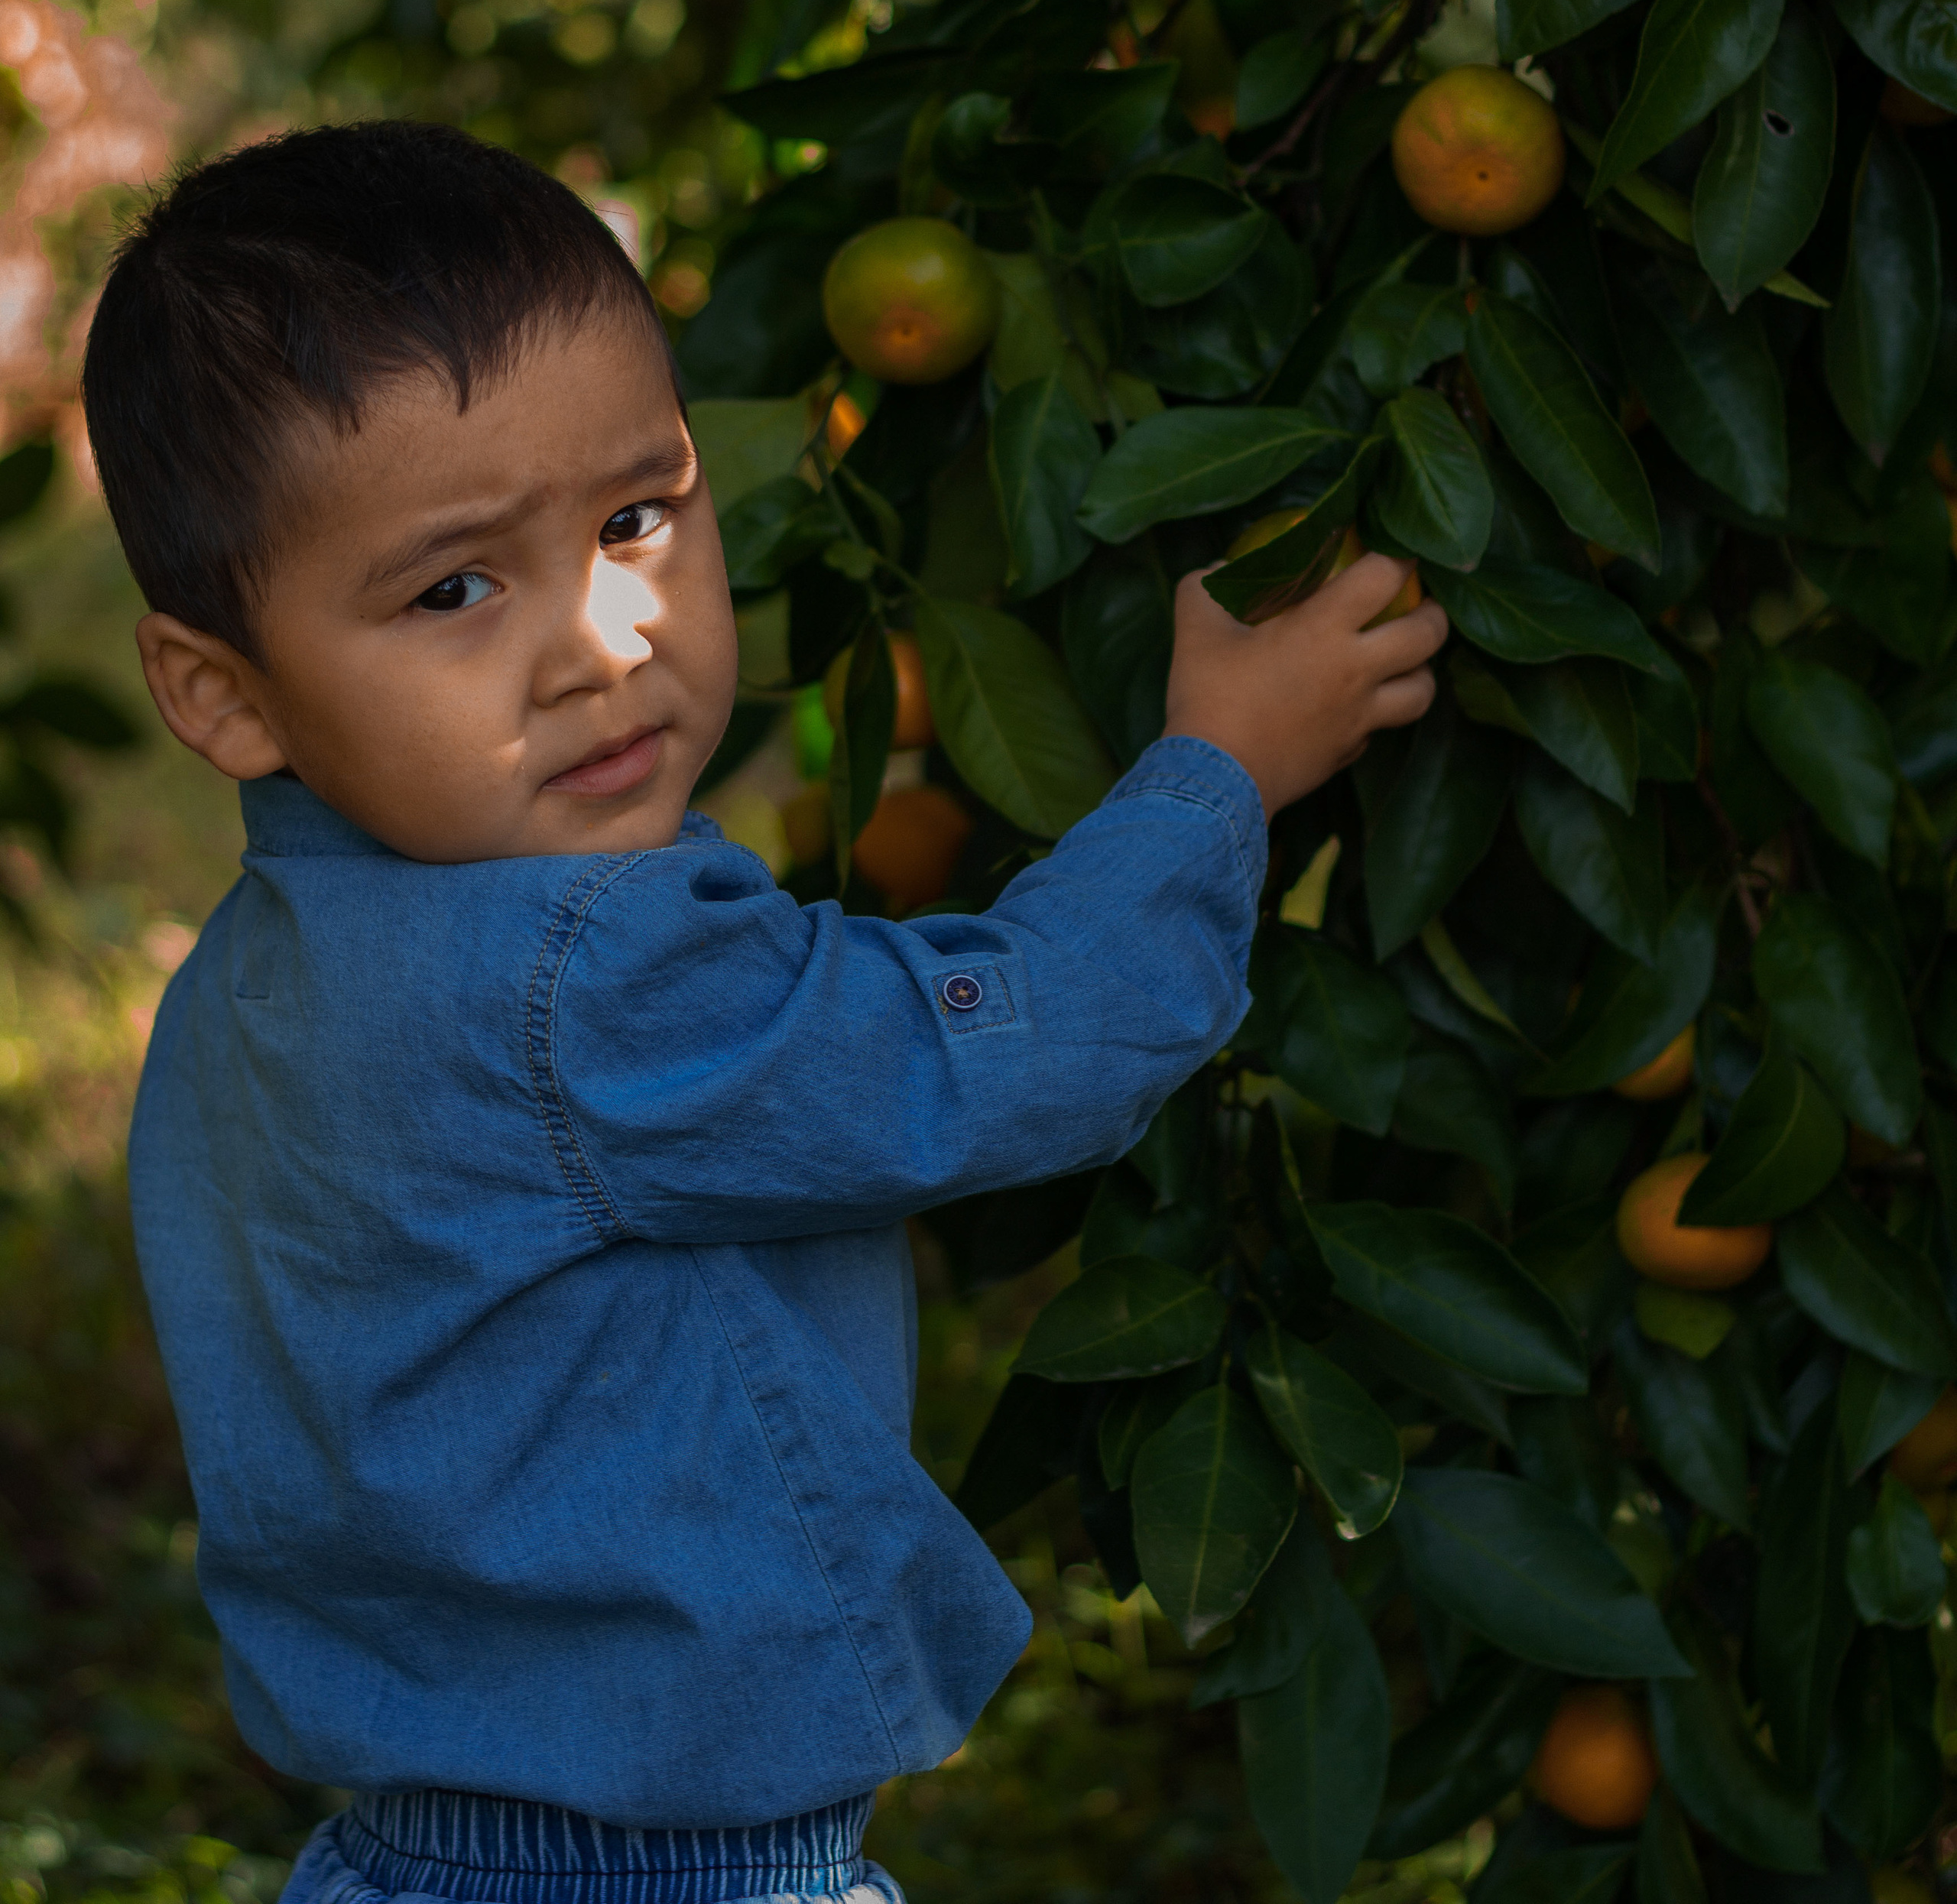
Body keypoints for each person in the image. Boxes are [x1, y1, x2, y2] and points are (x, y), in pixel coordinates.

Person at [80, 122, 1448, 1904]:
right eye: (453, 587)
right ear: (222, 692)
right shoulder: (584, 982)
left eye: (637, 515)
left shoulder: (237, 994)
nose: (606, 638)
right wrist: (1223, 772)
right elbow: (989, 1055)